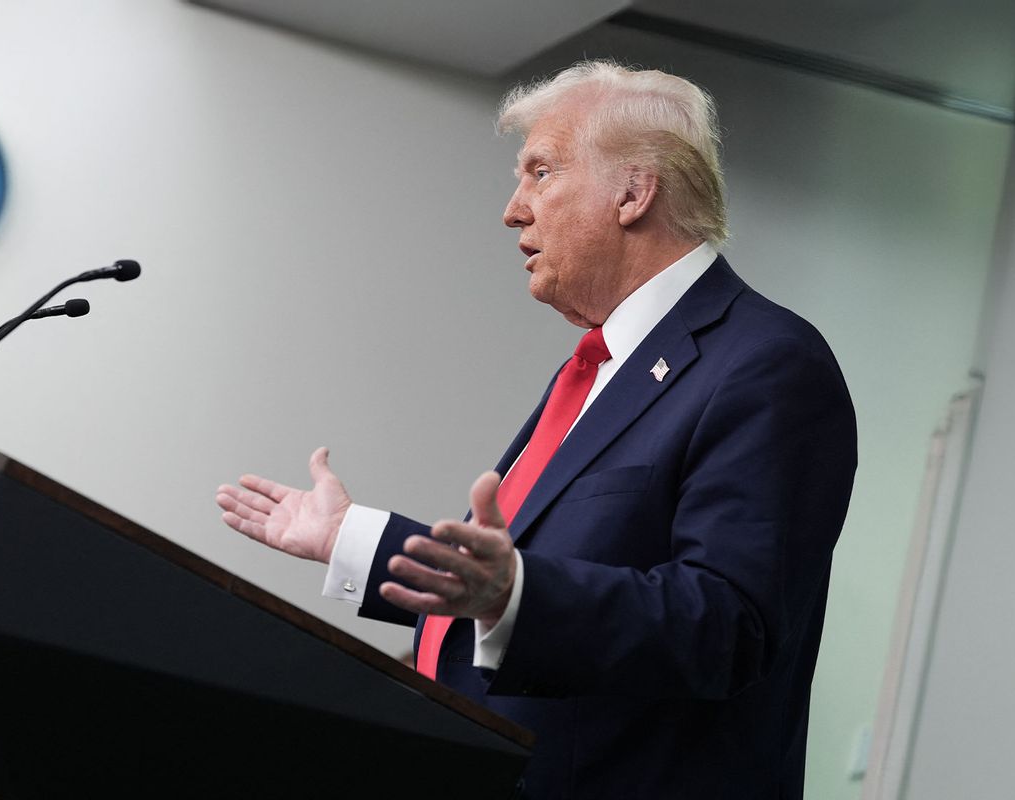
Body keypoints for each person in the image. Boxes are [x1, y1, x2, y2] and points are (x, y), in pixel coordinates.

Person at [216, 60, 857, 799]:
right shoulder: (597, 366)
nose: (513, 210)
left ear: (633, 191)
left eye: (541, 171)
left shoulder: (768, 363)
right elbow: (522, 589)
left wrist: (511, 591)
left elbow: (723, 626)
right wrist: (354, 541)